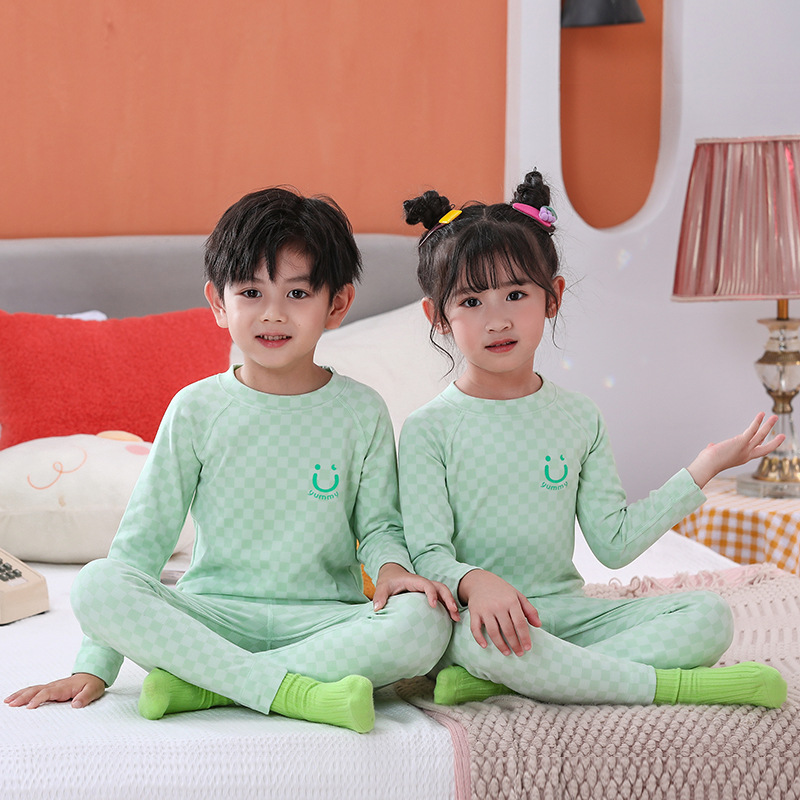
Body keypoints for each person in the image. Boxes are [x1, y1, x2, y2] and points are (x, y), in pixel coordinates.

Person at [5, 186, 457, 733]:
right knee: (98, 583)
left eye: (297, 293)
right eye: (251, 292)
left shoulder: (361, 410)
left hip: (324, 620)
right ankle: (294, 691)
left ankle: (208, 684)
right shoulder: (196, 408)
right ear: (219, 303)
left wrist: (394, 572)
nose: (273, 313)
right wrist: (94, 666)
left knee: (424, 620)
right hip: (211, 616)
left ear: (336, 305)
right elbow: (143, 542)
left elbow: (381, 526)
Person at [397, 170, 788, 710]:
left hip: (567, 616)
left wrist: (704, 468)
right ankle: (672, 687)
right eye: (471, 301)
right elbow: (428, 553)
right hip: (480, 621)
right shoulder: (428, 429)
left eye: (516, 294)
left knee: (710, 615)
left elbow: (614, 544)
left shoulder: (579, 418)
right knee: (456, 641)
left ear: (552, 298)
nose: (497, 319)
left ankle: (519, 679)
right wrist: (476, 583)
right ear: (437, 316)